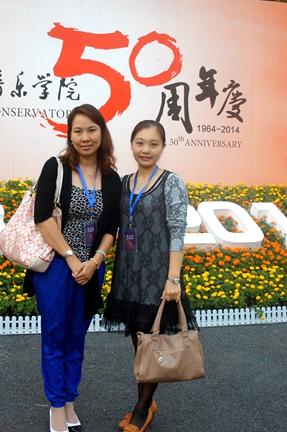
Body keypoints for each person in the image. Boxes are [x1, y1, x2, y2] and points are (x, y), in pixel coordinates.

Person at [23, 104, 122, 432]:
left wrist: (95, 262)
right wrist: (71, 257)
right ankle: (55, 405)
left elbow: (112, 226)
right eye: (77, 131)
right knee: (55, 336)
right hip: (57, 267)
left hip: (90, 271)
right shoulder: (56, 167)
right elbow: (42, 218)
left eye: (91, 130)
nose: (85, 137)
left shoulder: (112, 178)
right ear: (70, 135)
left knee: (77, 338)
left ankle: (69, 400)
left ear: (102, 133)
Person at [104, 120, 200, 432]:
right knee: (140, 343)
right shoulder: (124, 182)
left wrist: (174, 278)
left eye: (153, 144)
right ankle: (146, 401)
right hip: (129, 276)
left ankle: (142, 409)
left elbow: (177, 232)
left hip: (158, 277)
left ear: (163, 147)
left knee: (153, 342)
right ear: (132, 144)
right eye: (140, 143)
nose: (146, 150)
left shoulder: (171, 182)